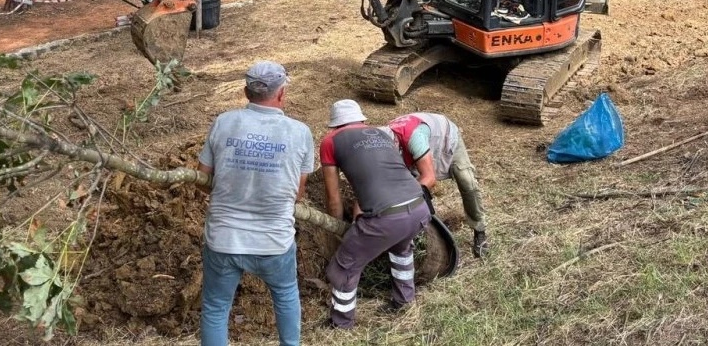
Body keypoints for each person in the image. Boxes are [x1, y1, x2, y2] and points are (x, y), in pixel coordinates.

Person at [196, 60, 314, 346]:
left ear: (246, 92)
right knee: (285, 295)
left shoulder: (224, 122)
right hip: (273, 242)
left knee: (215, 308)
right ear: (281, 93)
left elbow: (202, 179)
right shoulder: (300, 132)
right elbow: (297, 195)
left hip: (223, 240)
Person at [320, 99, 431, 329]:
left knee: (345, 266)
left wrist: (339, 230)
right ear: (361, 120)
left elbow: (333, 198)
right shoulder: (381, 134)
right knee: (401, 251)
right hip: (419, 206)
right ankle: (404, 301)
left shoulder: (330, 141)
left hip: (387, 217)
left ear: (335, 125)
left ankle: (340, 323)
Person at [385, 112, 489, 258]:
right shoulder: (383, 140)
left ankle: (480, 230)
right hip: (418, 146)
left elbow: (429, 178)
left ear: (396, 144)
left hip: (447, 138)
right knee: (410, 184)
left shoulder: (414, 138)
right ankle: (421, 228)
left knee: (466, 180)